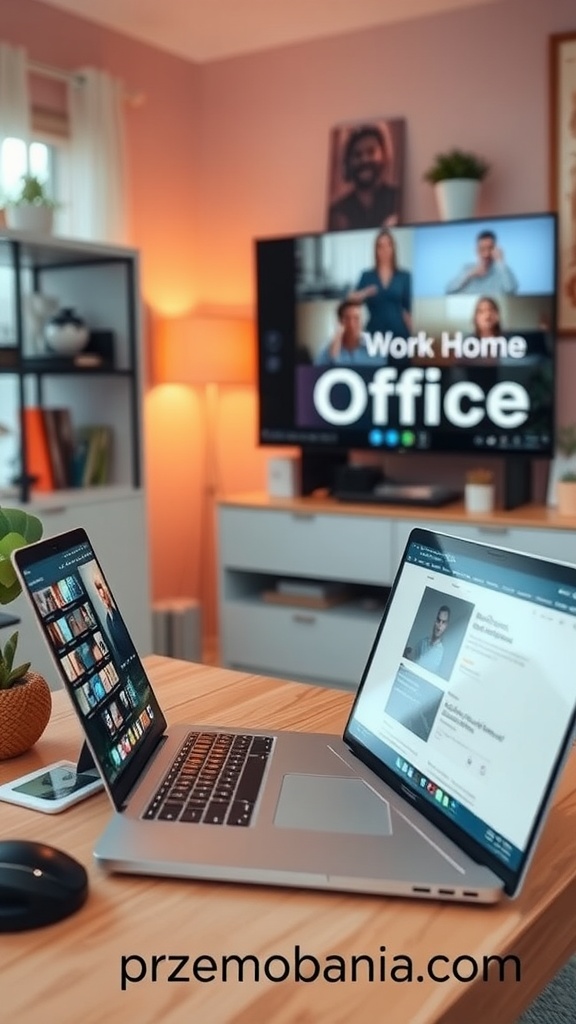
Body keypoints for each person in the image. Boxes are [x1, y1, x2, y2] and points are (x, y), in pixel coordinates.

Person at [327, 124, 400, 232]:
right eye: (357, 155)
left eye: (371, 152)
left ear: (383, 155)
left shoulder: (397, 199)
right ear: (348, 162)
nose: (365, 160)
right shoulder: (338, 211)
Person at [348, 228, 412, 338]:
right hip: (374, 335)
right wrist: (365, 293)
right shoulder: (367, 276)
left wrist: (415, 339)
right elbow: (350, 301)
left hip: (399, 336)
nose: (385, 250)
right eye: (380, 246)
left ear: (393, 248)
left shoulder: (404, 276)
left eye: (388, 245)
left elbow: (408, 311)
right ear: (376, 250)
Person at [445, 230, 518, 295]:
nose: (486, 254)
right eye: (482, 249)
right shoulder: (467, 268)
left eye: (490, 248)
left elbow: (512, 290)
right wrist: (470, 274)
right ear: (476, 250)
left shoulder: (502, 270)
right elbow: (448, 290)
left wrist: (501, 263)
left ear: (496, 249)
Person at [314, 299, 375, 365]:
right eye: (347, 319)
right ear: (340, 322)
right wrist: (333, 352)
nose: (352, 324)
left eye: (356, 318)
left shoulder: (373, 347)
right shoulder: (327, 349)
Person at [93, 576, 133, 665]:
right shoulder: (108, 621)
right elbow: (117, 645)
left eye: (105, 596)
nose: (105, 600)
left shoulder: (120, 613)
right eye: (102, 598)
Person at [405, 605, 451, 673]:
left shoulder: (443, 654)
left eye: (443, 622)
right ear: (435, 621)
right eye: (438, 620)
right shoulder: (422, 643)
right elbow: (413, 664)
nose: (440, 625)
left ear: (446, 625)